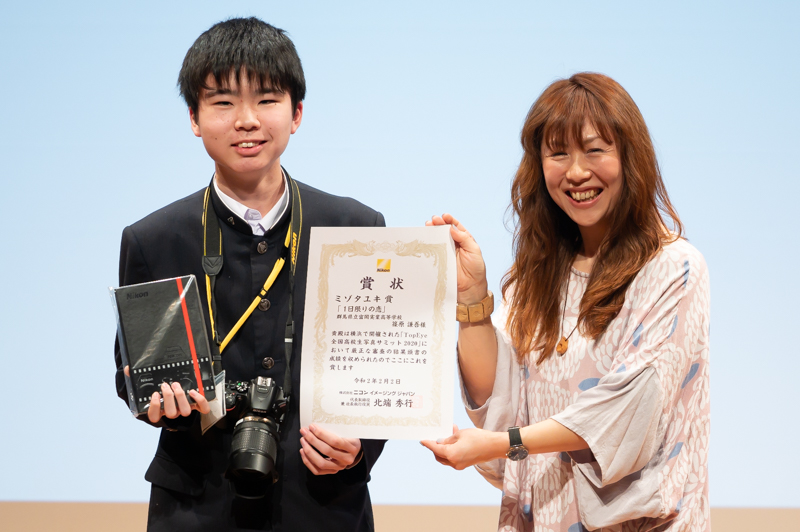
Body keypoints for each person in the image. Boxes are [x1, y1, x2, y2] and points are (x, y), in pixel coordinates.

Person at [114, 17, 386, 531]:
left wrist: (358, 450)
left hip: (324, 502)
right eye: (222, 103)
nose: (246, 120)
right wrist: (155, 403)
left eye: (266, 100)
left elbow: (381, 370)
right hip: (196, 506)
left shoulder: (356, 228)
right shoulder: (153, 239)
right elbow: (131, 375)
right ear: (194, 117)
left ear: (296, 113)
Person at [421, 73, 710, 531]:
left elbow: (622, 414)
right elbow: (503, 407)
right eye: (558, 153)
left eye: (595, 150)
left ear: (630, 157)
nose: (576, 171)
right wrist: (472, 298)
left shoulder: (673, 267)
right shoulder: (535, 276)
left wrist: (501, 444)